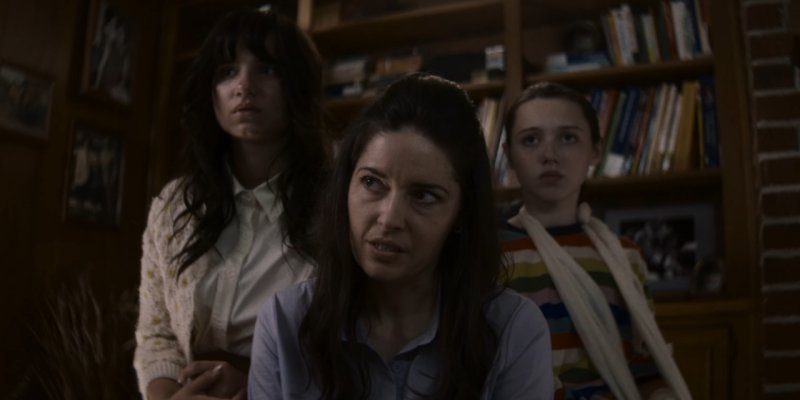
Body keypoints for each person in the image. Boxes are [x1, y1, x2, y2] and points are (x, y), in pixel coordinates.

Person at [248, 73, 554, 399]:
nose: (389, 218)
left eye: (423, 196)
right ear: (346, 186)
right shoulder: (285, 323)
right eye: (372, 183)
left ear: (461, 214)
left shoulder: (512, 330)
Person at [134, 8, 329, 400]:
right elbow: (157, 335)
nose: (244, 86)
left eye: (267, 69)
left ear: (298, 85)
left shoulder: (340, 202)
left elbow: (357, 344)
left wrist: (260, 385)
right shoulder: (173, 206)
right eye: (227, 72)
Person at [499, 81, 691, 400]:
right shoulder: (493, 254)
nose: (549, 155)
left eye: (568, 138)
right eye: (531, 140)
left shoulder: (625, 257)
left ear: (596, 151)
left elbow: (642, 365)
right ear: (510, 156)